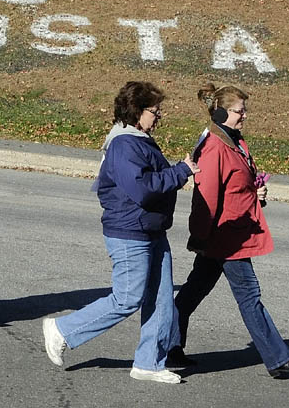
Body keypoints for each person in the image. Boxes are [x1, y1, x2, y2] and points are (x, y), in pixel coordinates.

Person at [42, 81, 199, 384]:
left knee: (162, 301)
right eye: (155, 112)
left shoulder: (139, 139)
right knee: (127, 298)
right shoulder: (124, 144)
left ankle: (148, 363)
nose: (159, 117)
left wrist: (181, 172)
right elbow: (142, 188)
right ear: (137, 111)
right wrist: (180, 171)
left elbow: (152, 182)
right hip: (130, 233)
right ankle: (63, 330)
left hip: (151, 231)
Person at [170, 83, 289, 377]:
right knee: (248, 294)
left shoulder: (236, 142)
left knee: (193, 291)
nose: (244, 116)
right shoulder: (214, 146)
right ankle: (278, 359)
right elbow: (205, 197)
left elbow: (239, 182)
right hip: (224, 236)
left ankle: (168, 347)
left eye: (245, 111)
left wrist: (255, 192)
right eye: (238, 111)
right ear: (221, 112)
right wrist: (199, 235)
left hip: (234, 232)